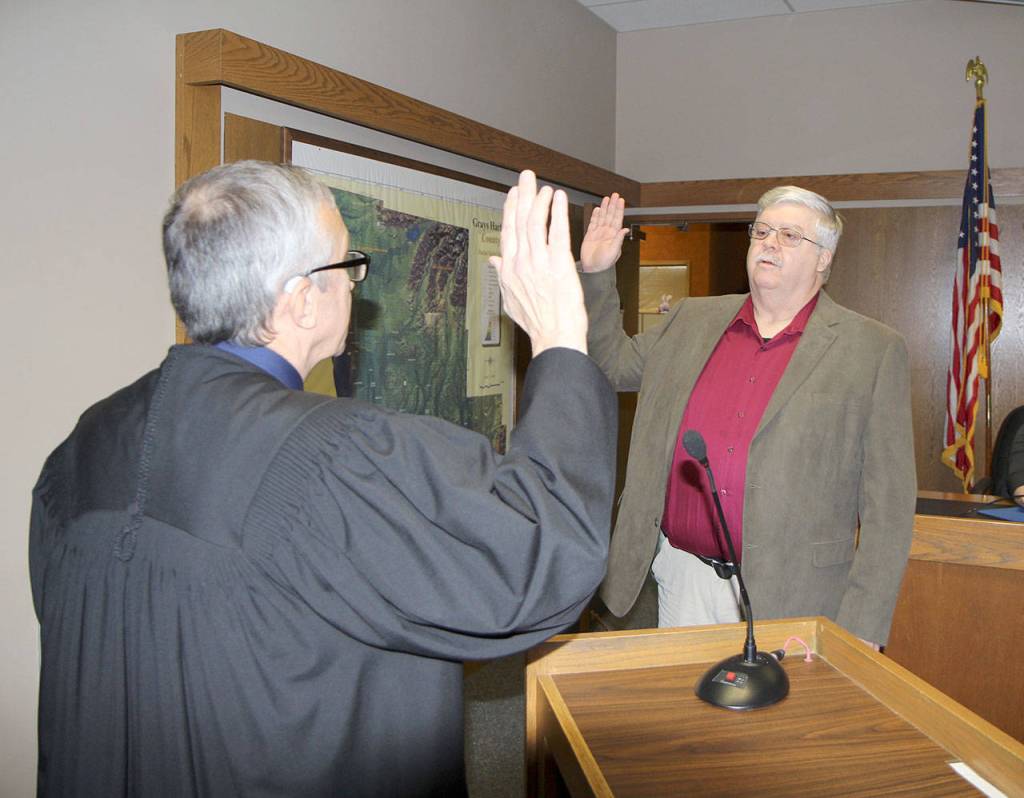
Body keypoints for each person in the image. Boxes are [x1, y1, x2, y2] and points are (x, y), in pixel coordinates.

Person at [29, 164, 616, 797]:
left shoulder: (81, 447)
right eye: (348, 267)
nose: (355, 288)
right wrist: (560, 339)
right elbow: (544, 556)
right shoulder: (337, 459)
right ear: (302, 298)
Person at [579, 185, 916, 648]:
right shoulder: (690, 321)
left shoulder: (872, 350)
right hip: (685, 578)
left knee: (780, 722)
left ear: (824, 259)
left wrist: (860, 630)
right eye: (762, 231)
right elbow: (611, 366)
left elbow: (889, 513)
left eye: (791, 236)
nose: (770, 243)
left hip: (797, 595)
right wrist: (597, 274)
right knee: (687, 718)